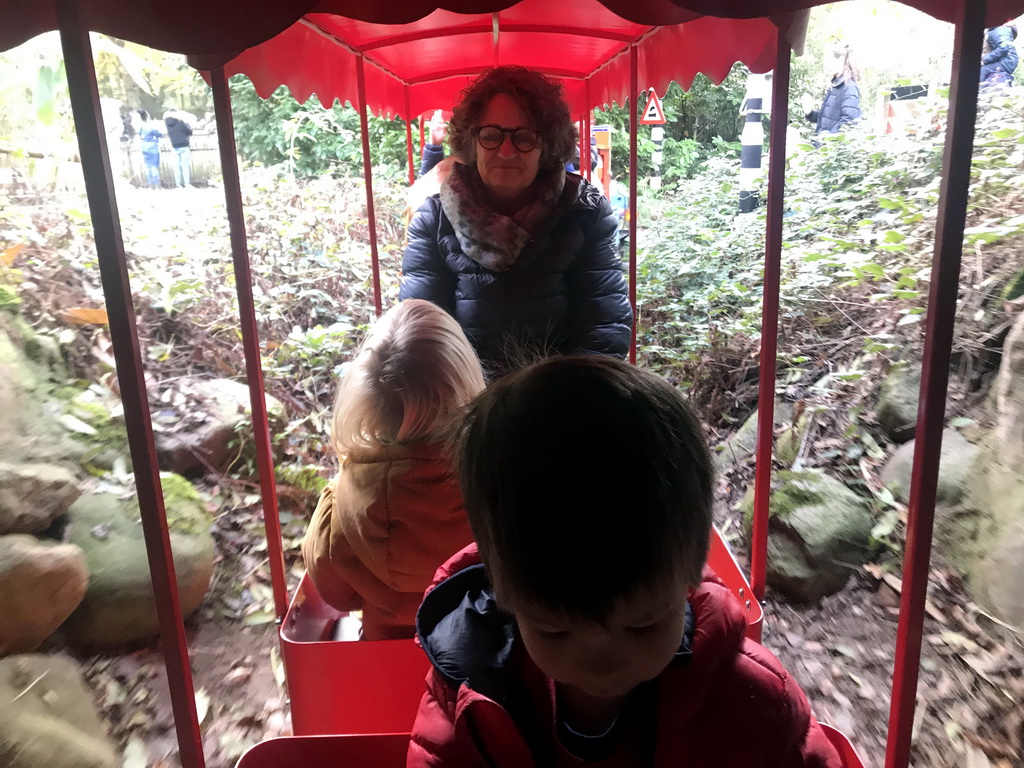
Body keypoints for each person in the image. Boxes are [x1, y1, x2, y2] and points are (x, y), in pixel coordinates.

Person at [408, 355, 843, 768]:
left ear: (690, 573)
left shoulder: (753, 703)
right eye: (554, 631)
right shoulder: (469, 692)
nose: (602, 666)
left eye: (642, 625)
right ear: (504, 594)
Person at [399, 66, 632, 379]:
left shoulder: (585, 214)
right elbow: (421, 334)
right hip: (465, 407)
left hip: (562, 405)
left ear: (547, 146)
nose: (506, 152)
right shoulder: (434, 220)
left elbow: (604, 329)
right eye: (492, 136)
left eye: (524, 137)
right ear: (472, 141)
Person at [300, 299, 485, 641]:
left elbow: (334, 592)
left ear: (365, 397)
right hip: (475, 661)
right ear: (465, 383)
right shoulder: (493, 488)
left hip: (385, 660)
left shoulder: (343, 503)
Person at [806, 43, 861, 136]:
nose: (826, 66)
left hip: (831, 148)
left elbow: (848, 122)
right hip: (824, 147)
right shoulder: (836, 85)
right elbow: (828, 119)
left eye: (828, 62)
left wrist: (827, 141)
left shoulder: (849, 87)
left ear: (841, 60)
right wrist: (810, 113)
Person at [163, 109, 193, 187]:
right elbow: (189, 131)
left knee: (177, 167)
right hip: (184, 146)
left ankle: (178, 184)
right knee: (185, 166)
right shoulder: (180, 122)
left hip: (174, 146)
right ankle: (187, 184)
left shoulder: (167, 123)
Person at [136, 109, 162, 189]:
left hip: (144, 147)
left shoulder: (140, 126)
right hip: (152, 147)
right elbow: (158, 134)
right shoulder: (150, 125)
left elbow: (139, 134)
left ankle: (150, 184)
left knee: (148, 167)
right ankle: (157, 184)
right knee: (154, 166)